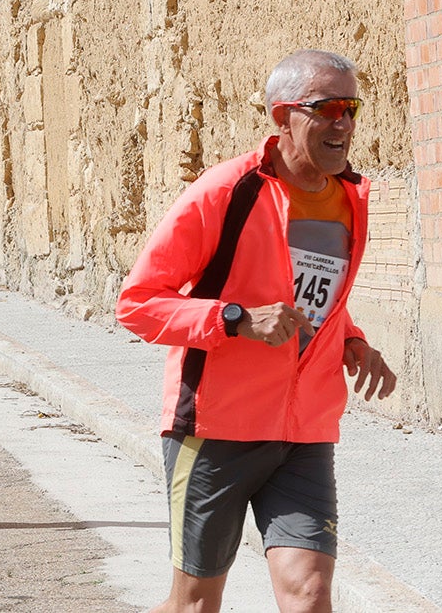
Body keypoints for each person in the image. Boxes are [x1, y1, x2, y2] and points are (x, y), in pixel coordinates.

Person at [115, 49, 397, 613]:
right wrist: (236, 319)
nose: (343, 122)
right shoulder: (227, 191)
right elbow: (138, 303)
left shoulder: (349, 200)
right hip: (215, 429)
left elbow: (315, 300)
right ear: (280, 116)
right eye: (328, 107)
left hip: (304, 432)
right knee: (195, 603)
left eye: (352, 108)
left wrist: (352, 341)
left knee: (310, 594)